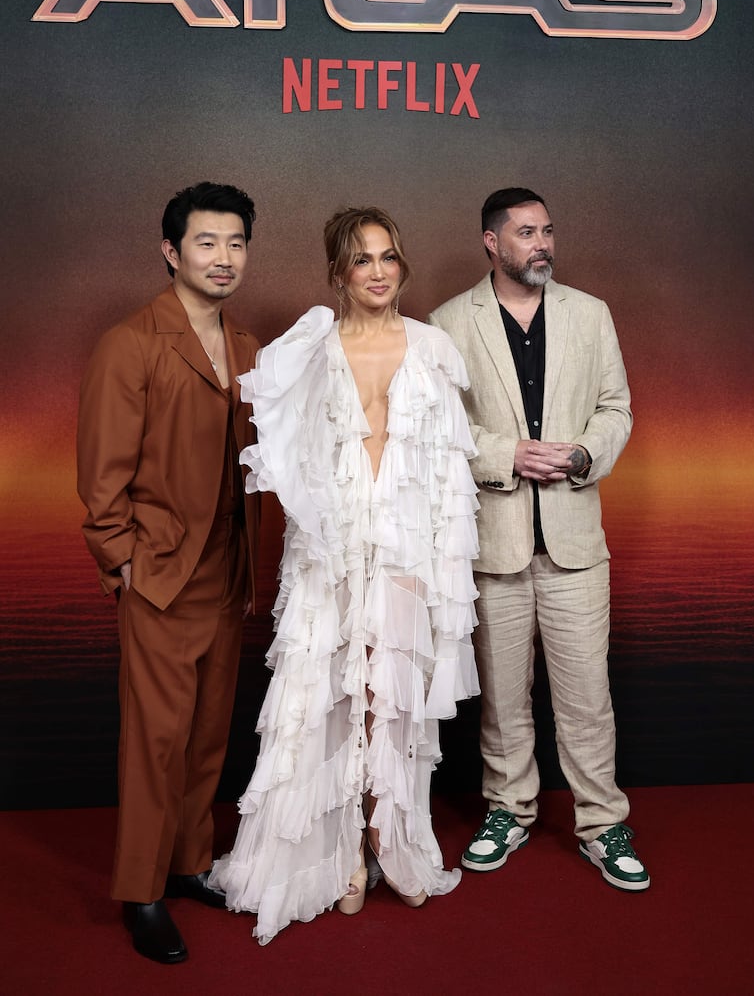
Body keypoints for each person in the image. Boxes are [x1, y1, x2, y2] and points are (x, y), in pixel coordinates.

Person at [210, 207, 480, 944]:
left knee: (390, 699)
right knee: (328, 691)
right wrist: (317, 533)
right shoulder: (309, 349)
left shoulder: (432, 347)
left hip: (405, 550)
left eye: (390, 256)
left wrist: (441, 572)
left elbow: (451, 474)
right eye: (363, 259)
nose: (379, 271)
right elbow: (285, 461)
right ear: (338, 271)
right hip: (330, 549)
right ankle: (341, 858)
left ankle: (391, 841)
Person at [428, 187, 649, 892]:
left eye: (548, 230)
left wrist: (583, 453)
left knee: (587, 695)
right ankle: (509, 808)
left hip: (576, 540)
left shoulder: (591, 314)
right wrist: (506, 457)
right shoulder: (446, 324)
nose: (543, 243)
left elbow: (616, 408)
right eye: (526, 232)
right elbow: (441, 432)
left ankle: (602, 822)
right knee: (502, 695)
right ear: (491, 242)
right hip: (493, 541)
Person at [77, 181, 261, 964]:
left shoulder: (249, 346)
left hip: (228, 572)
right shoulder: (133, 341)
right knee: (154, 742)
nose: (224, 258)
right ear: (171, 250)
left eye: (237, 243)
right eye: (207, 243)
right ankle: (143, 890)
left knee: (207, 736)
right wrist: (122, 563)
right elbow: (101, 478)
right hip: (156, 575)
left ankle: (189, 863)